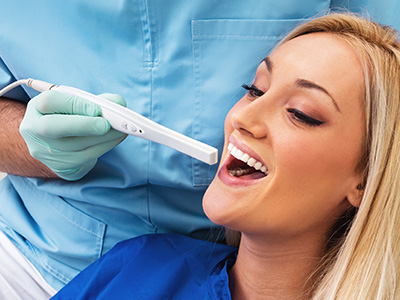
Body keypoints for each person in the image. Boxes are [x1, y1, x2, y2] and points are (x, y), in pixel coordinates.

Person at [0, 1, 399, 299]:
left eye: (300, 113)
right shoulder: (134, 269)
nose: (241, 118)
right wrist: (29, 141)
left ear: (370, 176)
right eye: (253, 89)